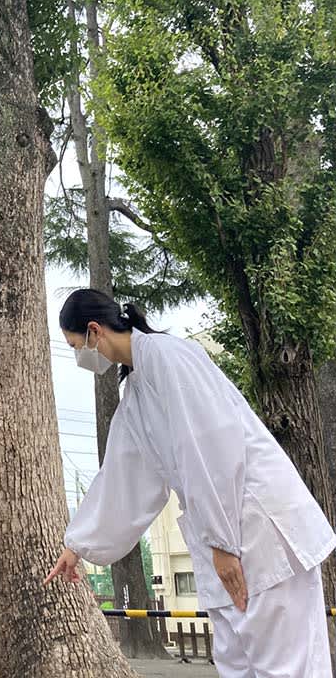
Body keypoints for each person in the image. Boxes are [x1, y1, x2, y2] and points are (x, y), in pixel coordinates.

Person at [44, 289, 336, 678]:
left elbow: (212, 447)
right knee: (238, 662)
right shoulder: (136, 394)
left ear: (95, 331)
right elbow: (123, 476)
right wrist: (77, 545)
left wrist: (222, 542)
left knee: (285, 665)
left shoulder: (169, 357)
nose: (79, 355)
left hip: (258, 528)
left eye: (75, 344)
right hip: (224, 538)